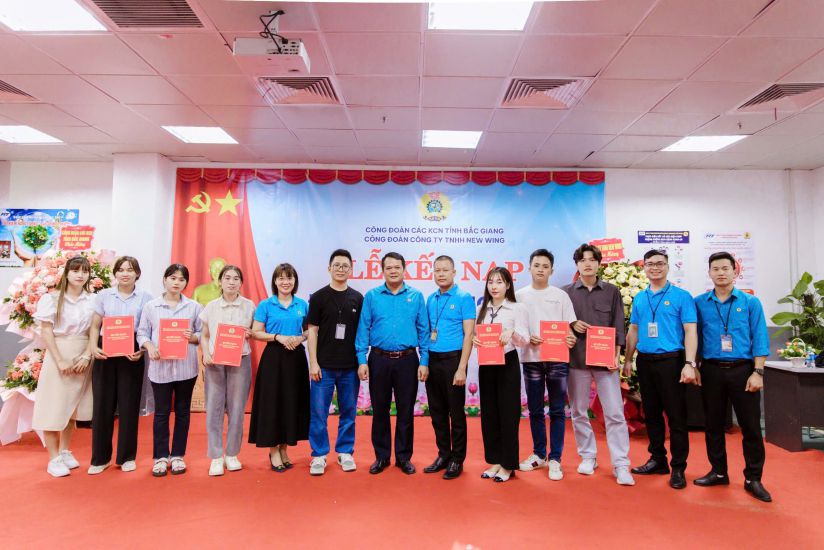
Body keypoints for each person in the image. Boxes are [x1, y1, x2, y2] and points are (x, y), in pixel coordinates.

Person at [693, 251, 771, 502]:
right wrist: (694, 365)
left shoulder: (750, 302)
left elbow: (760, 338)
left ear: (735, 271)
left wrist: (758, 372)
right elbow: (694, 337)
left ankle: (753, 478)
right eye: (715, 269)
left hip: (743, 370)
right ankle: (718, 472)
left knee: (750, 426)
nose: (721, 273)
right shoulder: (699, 303)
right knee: (713, 424)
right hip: (711, 369)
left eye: (725, 268)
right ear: (709, 273)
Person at [623, 249, 698, 489]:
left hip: (671, 362)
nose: (655, 268)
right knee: (651, 414)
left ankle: (678, 467)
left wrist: (690, 363)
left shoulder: (681, 296)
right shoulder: (640, 297)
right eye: (650, 264)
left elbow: (690, 331)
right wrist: (627, 359)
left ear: (667, 266)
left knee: (676, 417)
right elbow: (634, 330)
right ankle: (657, 459)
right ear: (644, 267)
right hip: (645, 362)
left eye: (660, 263)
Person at [562, 244, 634, 486]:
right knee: (579, 411)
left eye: (592, 259)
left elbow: (618, 324)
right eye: (583, 260)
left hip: (605, 363)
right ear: (577, 264)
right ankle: (588, 456)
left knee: (615, 413)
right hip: (576, 361)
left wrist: (616, 355)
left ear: (599, 263)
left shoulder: (611, 291)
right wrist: (571, 326)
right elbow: (558, 325)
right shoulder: (566, 293)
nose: (587, 264)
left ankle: (621, 464)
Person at [355, 252, 429, 475]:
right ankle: (382, 457)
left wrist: (424, 360)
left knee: (406, 411)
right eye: (389, 268)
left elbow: (423, 330)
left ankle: (404, 458)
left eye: (397, 267)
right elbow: (363, 329)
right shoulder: (372, 296)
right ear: (382, 270)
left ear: (404, 269)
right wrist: (361, 359)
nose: (393, 271)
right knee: (380, 410)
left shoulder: (416, 296)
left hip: (408, 360)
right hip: (379, 360)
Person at [516, 249, 577, 481]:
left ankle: (555, 459)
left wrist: (571, 338)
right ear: (529, 268)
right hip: (531, 359)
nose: (540, 269)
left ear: (552, 270)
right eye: (536, 265)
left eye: (545, 266)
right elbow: (515, 328)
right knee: (535, 410)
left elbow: (569, 328)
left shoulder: (560, 296)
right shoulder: (519, 296)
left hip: (557, 359)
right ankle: (539, 454)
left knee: (558, 410)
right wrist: (526, 337)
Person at [31, 256, 95, 477]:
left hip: (83, 355)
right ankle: (53, 458)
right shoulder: (51, 299)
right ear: (66, 273)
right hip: (59, 353)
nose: (80, 275)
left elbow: (94, 330)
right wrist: (59, 359)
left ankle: (65, 450)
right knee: (53, 406)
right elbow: (46, 331)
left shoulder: (93, 300)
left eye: (84, 271)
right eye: (76, 270)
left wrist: (87, 355)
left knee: (72, 407)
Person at [87, 256, 152, 475]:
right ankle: (100, 458)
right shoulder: (104, 295)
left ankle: (127, 457)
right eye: (121, 269)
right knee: (102, 405)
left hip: (132, 351)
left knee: (129, 405)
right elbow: (95, 325)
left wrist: (141, 350)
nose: (125, 273)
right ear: (115, 273)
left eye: (130, 270)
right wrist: (93, 346)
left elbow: (147, 328)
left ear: (137, 274)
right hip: (105, 350)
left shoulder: (145, 297)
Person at [137, 264, 202, 477]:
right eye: (173, 278)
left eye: (181, 279)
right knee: (161, 412)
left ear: (186, 283)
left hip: (186, 369)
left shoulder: (194, 307)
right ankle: (161, 457)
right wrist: (150, 347)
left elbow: (203, 334)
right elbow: (142, 333)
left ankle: (178, 456)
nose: (177, 282)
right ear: (164, 280)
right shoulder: (151, 307)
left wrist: (192, 337)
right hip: (160, 368)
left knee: (183, 413)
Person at [306, 249, 364, 476]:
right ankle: (319, 454)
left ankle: (345, 451)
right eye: (337, 265)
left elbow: (362, 334)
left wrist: (362, 362)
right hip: (324, 367)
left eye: (345, 266)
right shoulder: (318, 297)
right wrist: (313, 363)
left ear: (351, 270)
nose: (341, 269)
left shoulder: (358, 298)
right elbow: (312, 331)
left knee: (349, 412)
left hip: (350, 367)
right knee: (318, 413)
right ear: (329, 268)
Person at [249, 263, 310, 472]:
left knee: (291, 403)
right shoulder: (266, 305)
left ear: (295, 281)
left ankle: (284, 448)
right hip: (273, 358)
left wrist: (300, 337)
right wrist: (278, 337)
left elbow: (309, 331)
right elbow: (255, 332)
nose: (286, 282)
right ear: (275, 281)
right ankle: (273, 450)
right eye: (281, 278)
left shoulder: (302, 304)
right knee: (273, 403)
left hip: (296, 358)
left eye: (289, 278)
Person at [473, 267, 529, 483]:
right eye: (490, 282)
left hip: (507, 364)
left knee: (508, 414)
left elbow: (525, 339)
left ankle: (508, 464)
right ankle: (495, 460)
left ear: (507, 285)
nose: (494, 286)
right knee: (489, 414)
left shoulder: (517, 308)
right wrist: (475, 340)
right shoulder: (483, 308)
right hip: (487, 365)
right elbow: (478, 334)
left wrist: (511, 333)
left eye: (499, 282)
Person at [423, 255, 476, 480]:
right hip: (433, 360)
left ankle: (457, 459)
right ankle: (443, 454)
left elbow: (469, 335)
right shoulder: (430, 299)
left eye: (445, 270)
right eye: (437, 270)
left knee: (456, 413)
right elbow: (427, 333)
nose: (441, 274)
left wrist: (462, 367)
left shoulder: (464, 298)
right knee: (437, 413)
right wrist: (424, 362)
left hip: (454, 360)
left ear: (454, 272)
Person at [199, 264, 255, 476]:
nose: (231, 282)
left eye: (236, 278)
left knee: (237, 408)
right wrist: (206, 354)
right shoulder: (211, 306)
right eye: (227, 278)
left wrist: (250, 333)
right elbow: (204, 335)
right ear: (220, 281)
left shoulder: (249, 306)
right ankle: (216, 456)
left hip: (240, 360)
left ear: (241, 283)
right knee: (213, 408)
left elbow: (256, 331)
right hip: (215, 362)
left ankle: (232, 454)